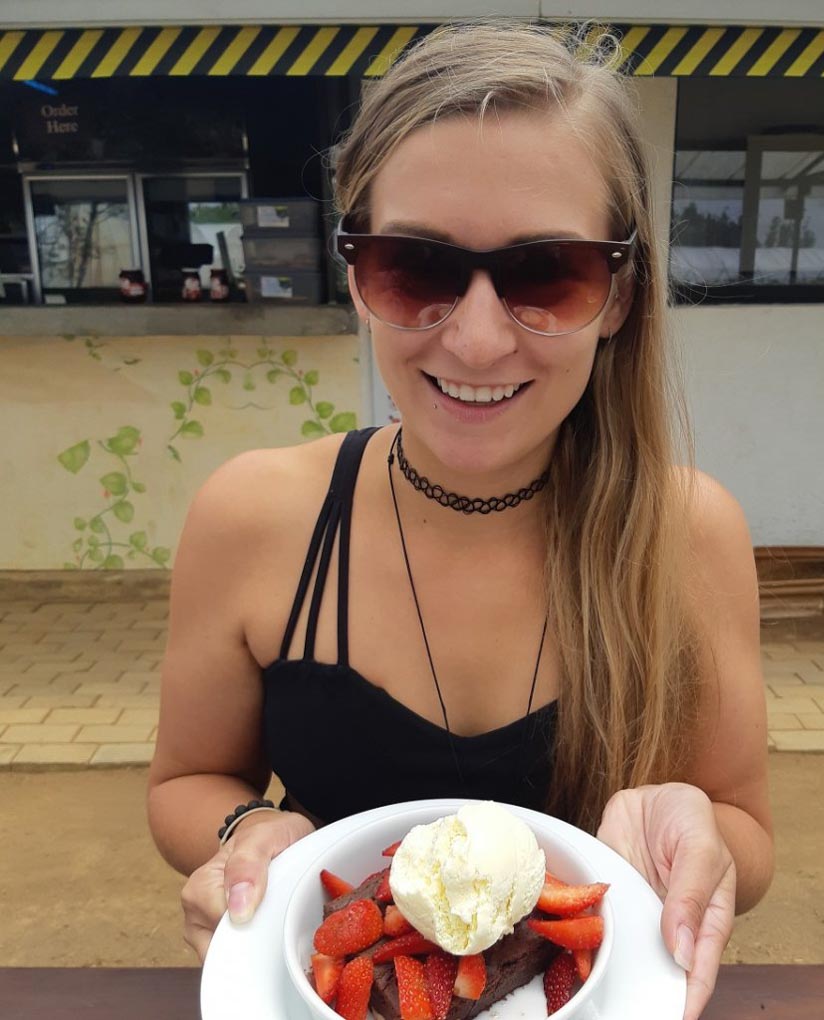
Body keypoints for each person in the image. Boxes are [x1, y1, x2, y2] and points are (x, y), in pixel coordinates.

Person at [147, 21, 772, 1020]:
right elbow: (187, 779)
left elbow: (741, 827)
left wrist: (694, 828)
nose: (476, 341)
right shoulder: (254, 516)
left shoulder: (685, 531)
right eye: (414, 267)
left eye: (547, 273)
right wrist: (247, 835)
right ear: (357, 275)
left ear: (617, 296)